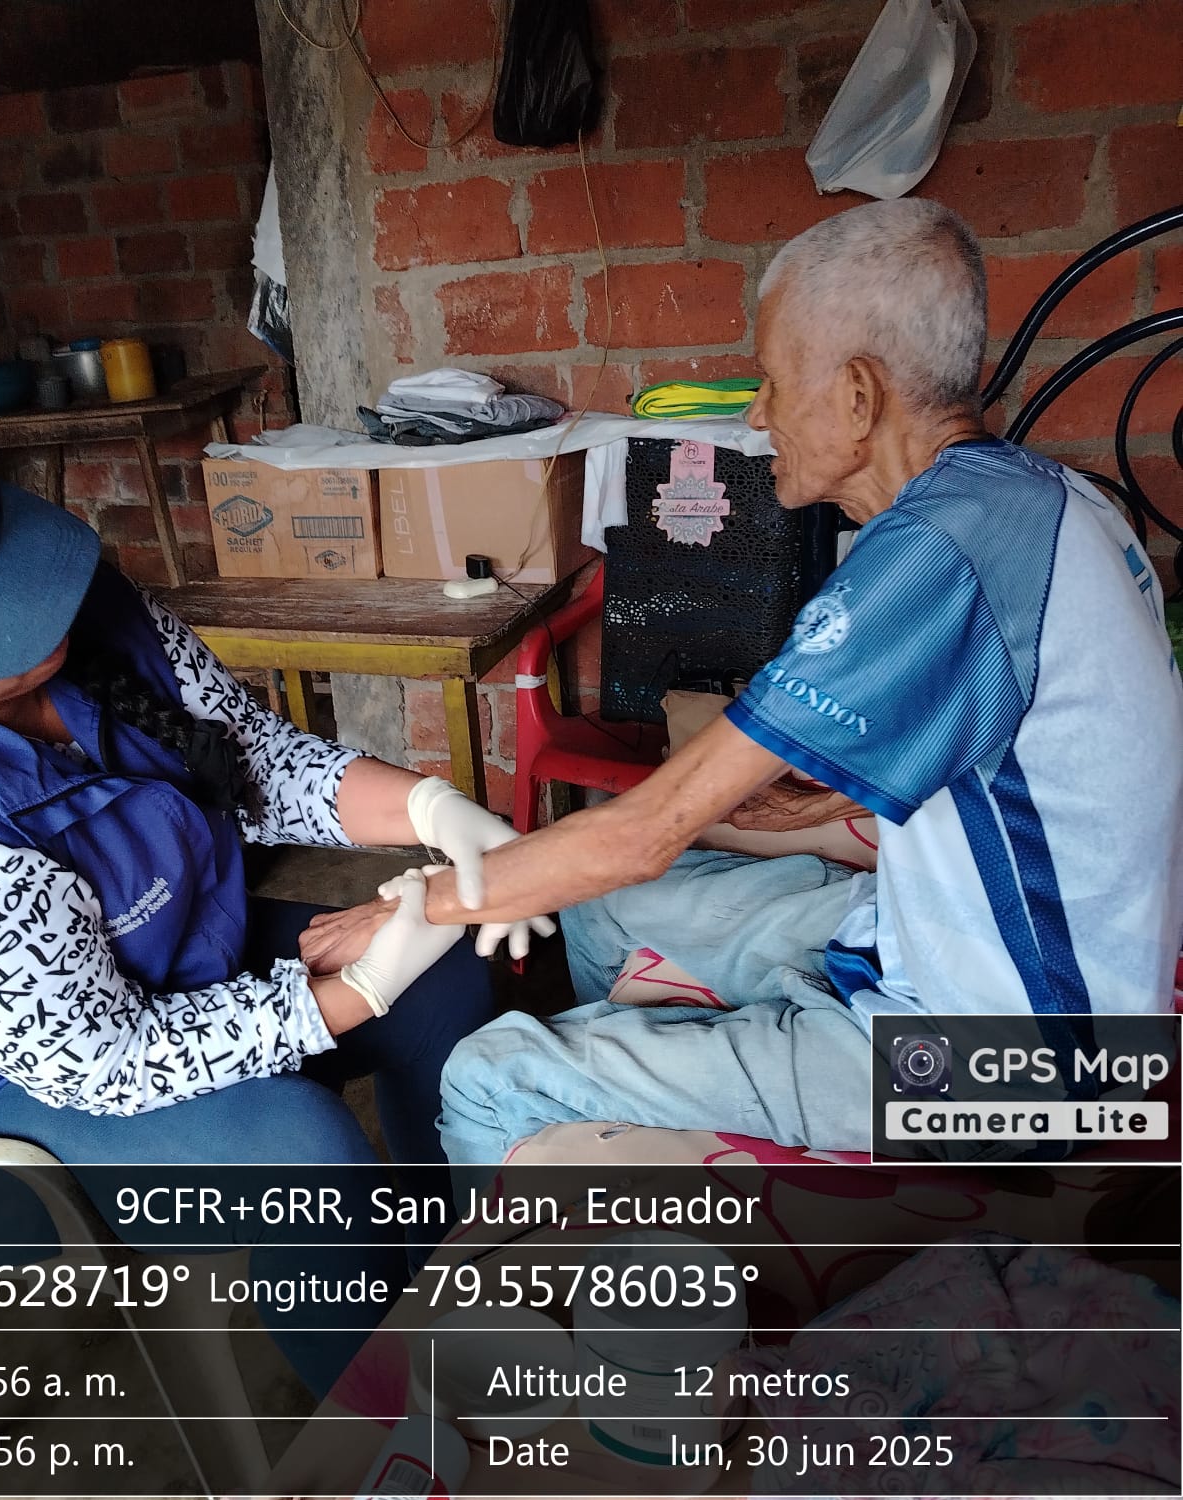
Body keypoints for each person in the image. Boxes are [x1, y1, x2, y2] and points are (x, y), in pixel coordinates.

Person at [0, 404, 549, 1392]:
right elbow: (105, 1061)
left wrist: (431, 809)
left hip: (143, 962)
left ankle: (438, 1275)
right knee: (304, 1160)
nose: (38, 624)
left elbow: (249, 759)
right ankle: (387, 1425)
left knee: (447, 973)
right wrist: (352, 991)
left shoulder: (94, 614)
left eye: (12, 573)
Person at [398, 197, 1182, 1162]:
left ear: (857, 395)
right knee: (600, 912)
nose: (758, 413)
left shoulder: (940, 550)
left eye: (772, 380)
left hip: (1016, 1067)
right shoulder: (1041, 498)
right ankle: (629, 1129)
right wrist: (819, 799)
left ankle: (582, 1201)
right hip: (979, 957)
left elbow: (646, 833)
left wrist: (413, 907)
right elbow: (1020, 750)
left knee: (489, 1077)